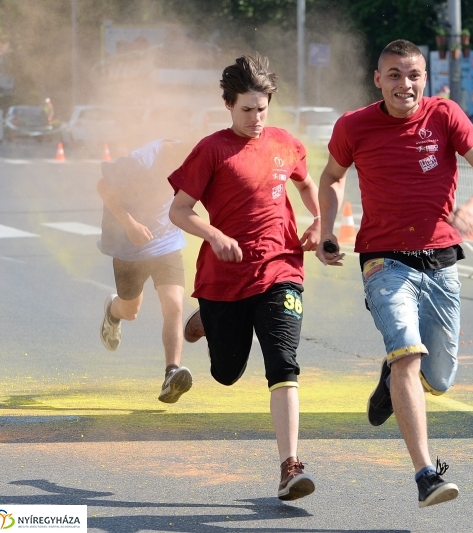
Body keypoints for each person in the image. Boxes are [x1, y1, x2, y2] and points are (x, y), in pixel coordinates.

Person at [315, 39, 473, 507]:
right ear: (378, 80)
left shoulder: (444, 115)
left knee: (438, 378)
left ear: (426, 78)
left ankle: (390, 377)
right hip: (384, 260)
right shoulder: (354, 125)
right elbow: (331, 177)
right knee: (407, 355)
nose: (406, 84)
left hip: (441, 261)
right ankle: (425, 474)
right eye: (395, 75)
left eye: (414, 74)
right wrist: (327, 231)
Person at [168, 54, 321, 501]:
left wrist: (317, 222)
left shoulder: (285, 143)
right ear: (229, 106)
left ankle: (289, 467)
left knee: (283, 362)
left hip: (281, 270)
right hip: (225, 279)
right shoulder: (211, 150)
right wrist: (213, 234)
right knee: (227, 371)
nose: (256, 119)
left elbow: (308, 184)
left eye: (262, 109)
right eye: (246, 110)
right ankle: (208, 319)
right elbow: (179, 209)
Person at [97, 138, 194, 404]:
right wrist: (129, 224)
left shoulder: (193, 159)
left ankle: (171, 373)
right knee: (131, 310)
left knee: (174, 305)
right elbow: (103, 187)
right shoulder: (140, 161)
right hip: (130, 245)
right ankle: (113, 310)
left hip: (167, 242)